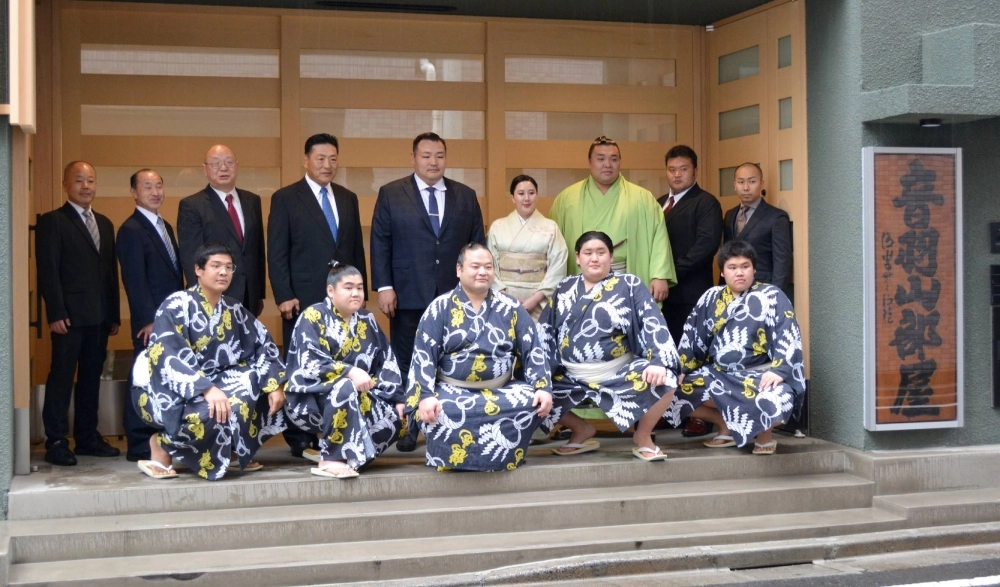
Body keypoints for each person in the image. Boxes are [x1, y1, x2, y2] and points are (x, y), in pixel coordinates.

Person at [370, 131, 487, 452]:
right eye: (426, 156)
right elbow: (381, 243)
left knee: (456, 361)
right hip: (406, 295)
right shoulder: (392, 193)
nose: (433, 162)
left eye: (439, 156)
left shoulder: (465, 195)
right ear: (413, 159)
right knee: (407, 362)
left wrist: (476, 288)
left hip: (455, 297)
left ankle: (455, 425)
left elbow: (476, 244)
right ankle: (409, 426)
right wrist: (384, 286)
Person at [131, 243, 287, 480]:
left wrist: (274, 383)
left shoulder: (234, 309)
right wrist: (206, 388)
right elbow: (167, 356)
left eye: (228, 267)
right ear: (198, 270)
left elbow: (263, 345)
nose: (223, 272)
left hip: (218, 384)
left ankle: (231, 448)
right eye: (216, 266)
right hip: (174, 389)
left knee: (257, 383)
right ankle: (163, 445)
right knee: (212, 411)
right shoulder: (175, 306)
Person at [406, 244, 554, 472]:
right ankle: (453, 460)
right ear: (459, 270)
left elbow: (532, 348)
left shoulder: (511, 306)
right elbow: (423, 356)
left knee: (529, 400)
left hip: (500, 389)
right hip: (452, 391)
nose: (482, 272)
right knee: (439, 409)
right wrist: (425, 395)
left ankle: (504, 457)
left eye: (488, 267)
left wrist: (542, 387)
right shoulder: (440, 307)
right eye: (475, 266)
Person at [268, 133, 367, 458]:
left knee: (342, 361)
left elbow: (354, 250)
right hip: (302, 297)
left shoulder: (348, 197)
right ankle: (300, 438)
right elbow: (277, 251)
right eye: (321, 159)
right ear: (306, 160)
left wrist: (358, 290)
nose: (328, 165)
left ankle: (336, 429)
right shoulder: (286, 198)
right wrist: (283, 294)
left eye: (333, 159)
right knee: (301, 364)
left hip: (342, 300)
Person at [541, 232, 679, 462]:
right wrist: (538, 370)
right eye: (588, 253)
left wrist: (659, 362)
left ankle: (643, 436)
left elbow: (652, 322)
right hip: (568, 374)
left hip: (616, 373)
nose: (594, 258)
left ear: (611, 256)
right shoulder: (565, 287)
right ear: (577, 258)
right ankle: (581, 429)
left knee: (667, 379)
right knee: (527, 387)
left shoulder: (629, 284)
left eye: (601, 252)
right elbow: (544, 329)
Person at [667, 240, 805, 455]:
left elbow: (789, 334)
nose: (739, 273)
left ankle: (764, 434)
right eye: (732, 268)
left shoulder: (772, 296)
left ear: (754, 269)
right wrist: (682, 367)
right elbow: (693, 336)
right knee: (666, 388)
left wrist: (779, 370)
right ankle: (724, 425)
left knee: (776, 396)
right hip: (719, 374)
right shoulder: (710, 297)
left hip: (758, 374)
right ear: (722, 272)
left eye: (745, 266)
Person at [36, 161, 121, 466]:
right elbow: (48, 271)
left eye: (91, 181)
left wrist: (114, 314)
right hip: (68, 318)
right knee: (61, 377)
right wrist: (55, 311)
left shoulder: (106, 224)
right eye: (79, 181)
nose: (86, 186)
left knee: (90, 378)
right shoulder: (53, 221)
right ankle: (56, 440)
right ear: (65, 184)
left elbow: (109, 273)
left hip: (99, 317)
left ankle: (87, 437)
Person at [284, 263, 404, 479]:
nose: (356, 293)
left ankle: (354, 454)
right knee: (344, 386)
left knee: (403, 413)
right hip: (315, 397)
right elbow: (308, 364)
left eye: (359, 288)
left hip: (363, 394)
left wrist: (398, 398)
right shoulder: (312, 316)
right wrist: (349, 371)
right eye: (348, 287)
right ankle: (331, 456)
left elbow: (386, 361)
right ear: (331, 291)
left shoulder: (367, 319)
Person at [549, 136, 676, 302]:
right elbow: (552, 244)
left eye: (613, 159)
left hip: (626, 276)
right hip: (582, 277)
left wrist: (660, 275)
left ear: (620, 162)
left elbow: (659, 237)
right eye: (600, 159)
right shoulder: (567, 199)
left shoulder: (642, 198)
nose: (607, 164)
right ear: (590, 162)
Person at [116, 169, 185, 462]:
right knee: (142, 375)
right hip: (150, 320)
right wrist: (147, 319)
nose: (155, 191)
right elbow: (134, 280)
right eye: (147, 187)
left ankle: (160, 438)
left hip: (170, 317)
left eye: (159, 185)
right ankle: (138, 442)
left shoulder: (165, 226)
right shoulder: (131, 229)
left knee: (163, 376)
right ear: (134, 192)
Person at [657, 145, 724, 439]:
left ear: (694, 170)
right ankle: (665, 410)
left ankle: (703, 417)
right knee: (665, 357)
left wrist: (668, 275)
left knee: (695, 359)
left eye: (683, 169)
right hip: (661, 298)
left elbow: (706, 246)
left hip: (692, 294)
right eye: (672, 169)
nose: (677, 174)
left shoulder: (706, 202)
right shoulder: (659, 202)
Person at [177, 145, 267, 316]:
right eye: (216, 164)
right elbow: (191, 257)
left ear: (237, 165)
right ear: (205, 170)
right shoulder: (193, 205)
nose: (223, 168)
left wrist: (259, 293)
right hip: (215, 295)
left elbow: (257, 250)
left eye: (229, 162)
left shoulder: (252, 200)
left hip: (250, 295)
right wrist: (201, 297)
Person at [487, 175, 568, 321]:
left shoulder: (551, 227)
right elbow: (489, 263)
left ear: (537, 196)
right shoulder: (497, 227)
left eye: (531, 193)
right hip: (504, 298)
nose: (526, 198)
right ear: (513, 198)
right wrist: (505, 296)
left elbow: (558, 266)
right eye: (521, 193)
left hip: (538, 300)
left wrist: (535, 299)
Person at [722, 163, 793, 301]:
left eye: (752, 181)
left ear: (761, 184)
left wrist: (775, 296)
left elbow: (782, 261)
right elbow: (726, 254)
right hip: (732, 291)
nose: (746, 187)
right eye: (741, 182)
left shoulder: (776, 217)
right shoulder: (730, 215)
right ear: (735, 185)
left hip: (762, 289)